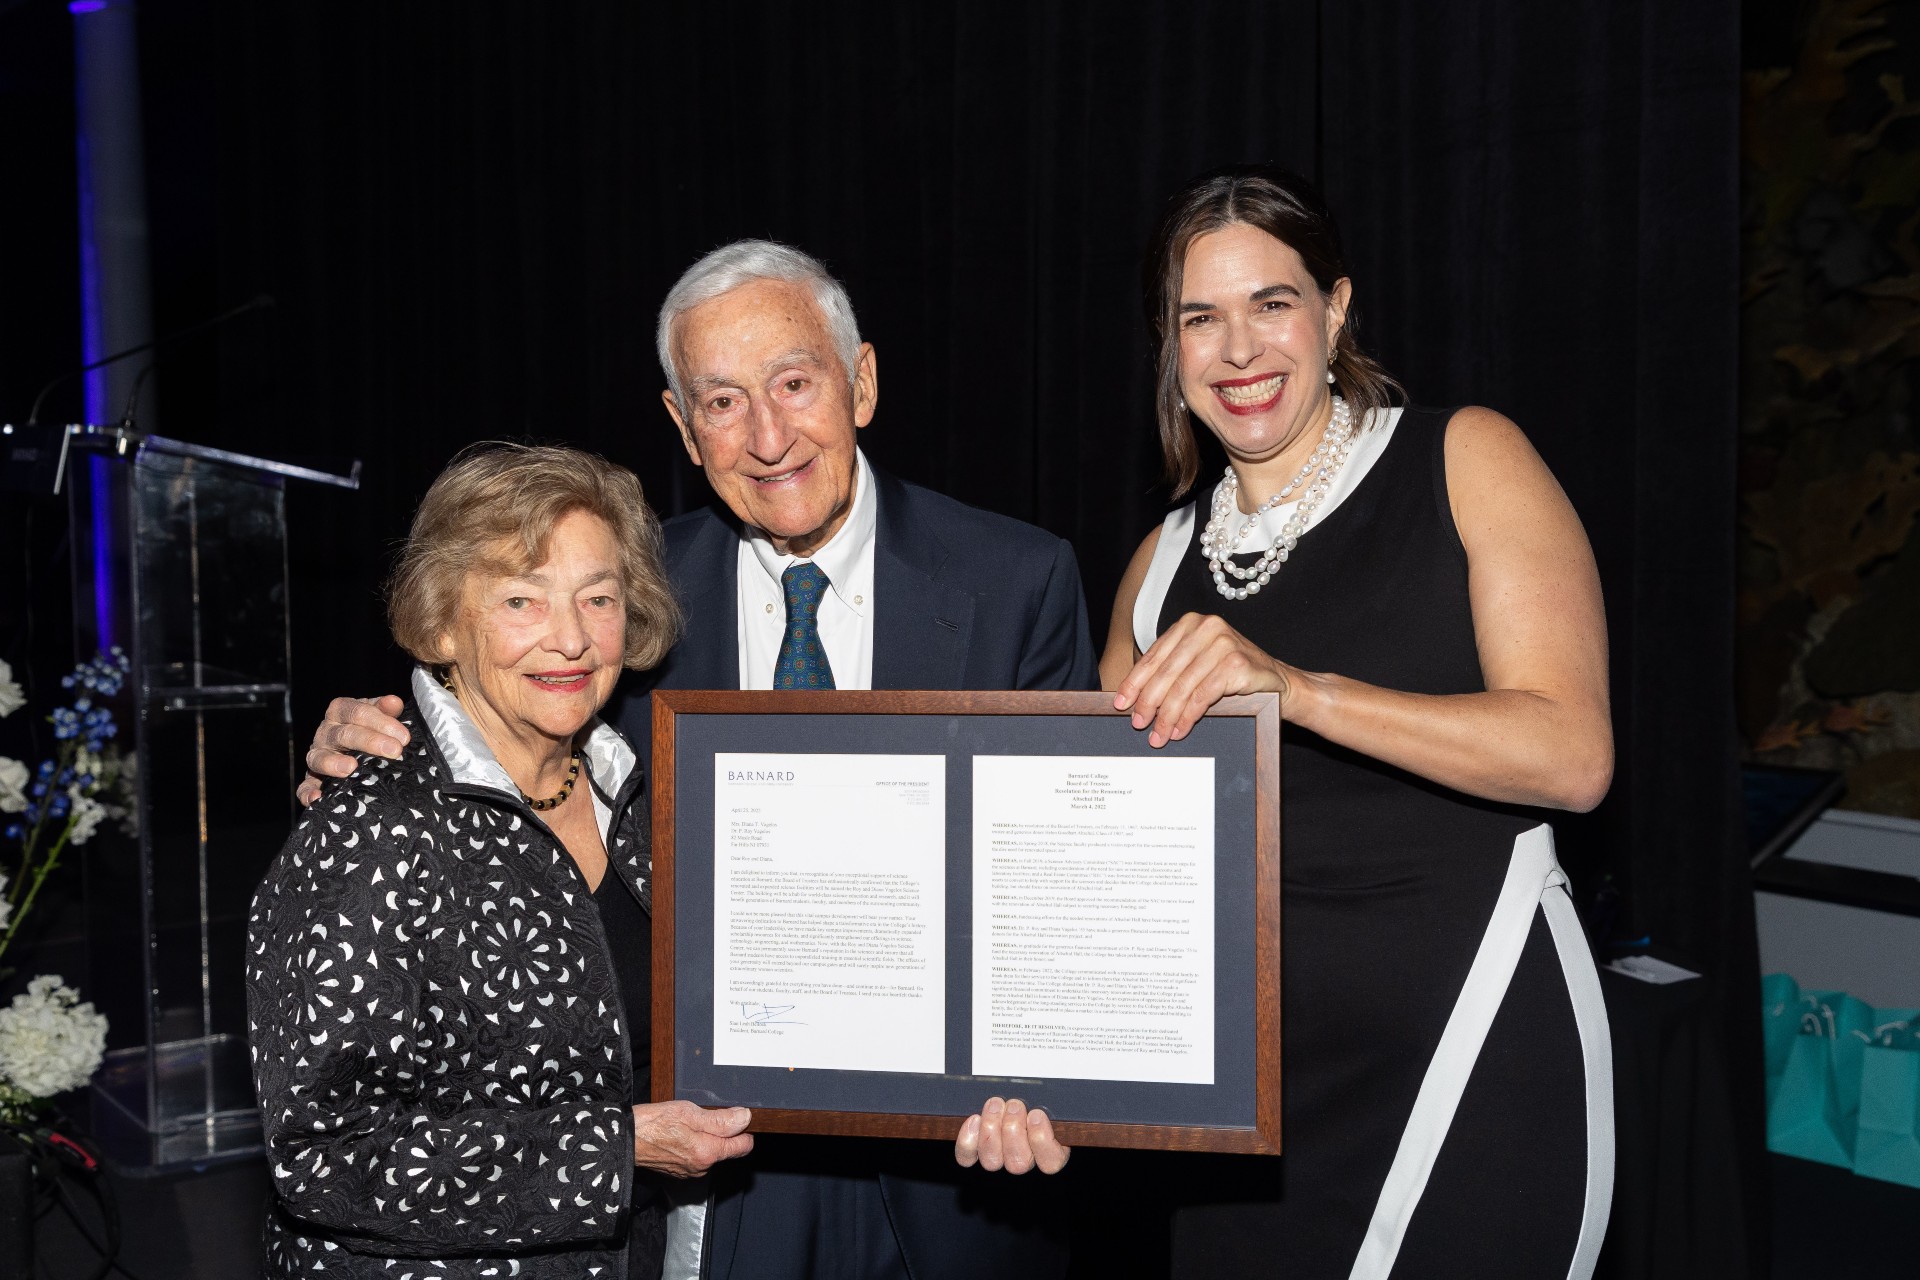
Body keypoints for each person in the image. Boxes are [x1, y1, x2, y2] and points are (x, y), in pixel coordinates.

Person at [295, 241, 1093, 1280]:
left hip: (956, 1163)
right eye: (722, 401)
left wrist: (1066, 1083)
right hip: (718, 1164)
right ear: (682, 425)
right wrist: (361, 745)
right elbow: (486, 712)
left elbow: (1060, 883)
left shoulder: (1017, 578)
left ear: (862, 382)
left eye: (795, 383)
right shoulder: (618, 596)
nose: (767, 436)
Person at [1105, 166, 1615, 1280]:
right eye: (1201, 317)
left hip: (1468, 1048)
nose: (1238, 349)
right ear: (1169, 343)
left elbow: (1573, 755)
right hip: (1242, 1113)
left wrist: (1302, 689)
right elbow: (1119, 872)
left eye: (1272, 303)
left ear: (1334, 311)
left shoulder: (1465, 457)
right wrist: (1038, 1072)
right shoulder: (1152, 573)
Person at [247, 444, 756, 1278]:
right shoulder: (371, 830)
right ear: (444, 623)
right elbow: (324, 1155)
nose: (571, 638)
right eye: (523, 599)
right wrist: (620, 1149)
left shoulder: (646, 802)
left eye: (599, 597)